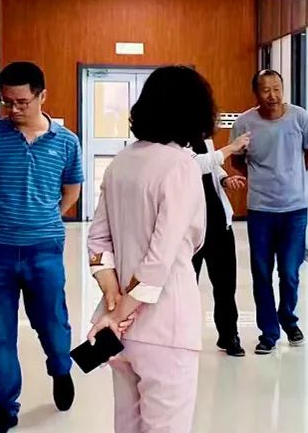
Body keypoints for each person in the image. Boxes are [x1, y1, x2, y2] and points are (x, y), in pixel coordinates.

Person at [86, 65, 213, 433]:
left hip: (118, 331)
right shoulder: (181, 166)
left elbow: (98, 242)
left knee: (127, 425)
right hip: (165, 325)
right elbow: (159, 261)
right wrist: (120, 312)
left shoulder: (121, 161)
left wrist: (113, 300)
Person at [0, 62, 83, 433]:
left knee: (53, 323)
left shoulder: (66, 141)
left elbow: (72, 190)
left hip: (43, 249)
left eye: (22, 102)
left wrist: (45, 219)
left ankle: (60, 368)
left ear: (42, 96)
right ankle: (5, 408)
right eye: (7, 102)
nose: (13, 109)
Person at [230, 69, 308, 355]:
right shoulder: (244, 123)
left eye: (277, 88)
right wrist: (261, 180)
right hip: (260, 210)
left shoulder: (300, 117)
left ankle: (289, 320)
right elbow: (236, 160)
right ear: (256, 93)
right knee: (261, 273)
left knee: (290, 272)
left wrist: (292, 177)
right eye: (266, 90)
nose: (273, 95)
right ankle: (268, 332)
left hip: (294, 209)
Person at [190, 131, 251, 357]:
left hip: (218, 223)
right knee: (186, 287)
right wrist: (232, 147)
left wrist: (225, 179)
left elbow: (212, 166)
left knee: (226, 285)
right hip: (190, 229)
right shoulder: (171, 142)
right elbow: (195, 165)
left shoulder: (203, 138)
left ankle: (229, 335)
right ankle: (184, 337)